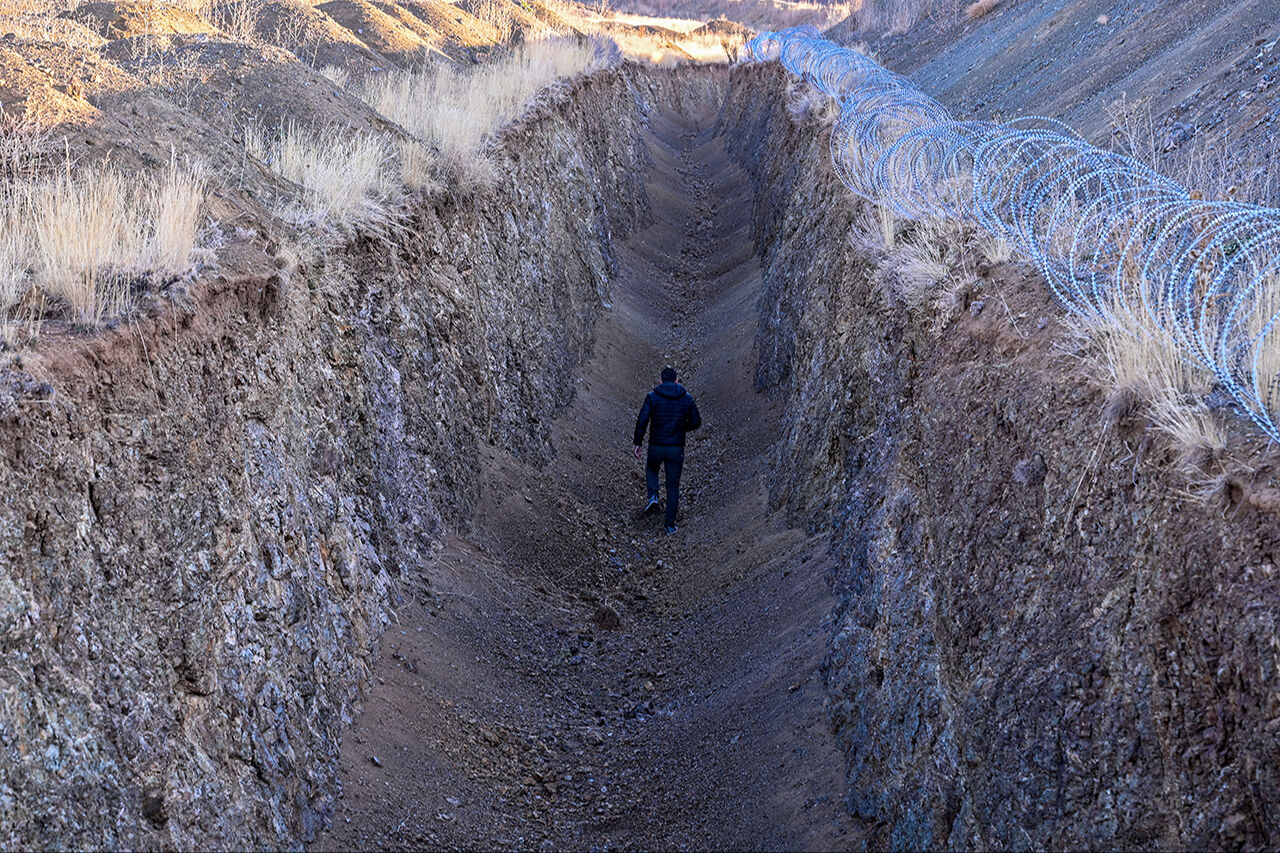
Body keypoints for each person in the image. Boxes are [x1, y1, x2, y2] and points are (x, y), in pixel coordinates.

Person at [633, 367, 702, 534]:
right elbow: (696, 421)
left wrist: (638, 442)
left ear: (660, 381)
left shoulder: (652, 397)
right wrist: (680, 428)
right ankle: (670, 525)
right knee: (673, 486)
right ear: (677, 380)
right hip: (675, 448)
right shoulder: (686, 398)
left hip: (656, 444)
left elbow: (642, 420)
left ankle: (653, 495)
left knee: (651, 468)